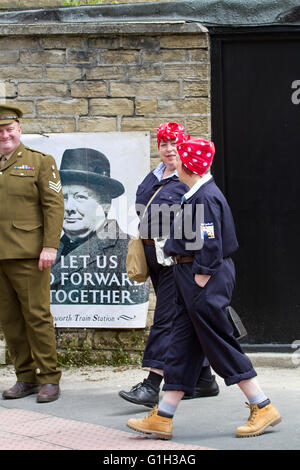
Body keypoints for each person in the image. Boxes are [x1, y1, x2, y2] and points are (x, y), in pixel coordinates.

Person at [126, 136, 281, 438]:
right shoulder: (197, 191)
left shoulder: (205, 197)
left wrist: (203, 275)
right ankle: (164, 415)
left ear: (189, 167)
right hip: (190, 276)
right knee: (182, 346)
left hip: (200, 277)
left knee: (219, 342)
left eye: (180, 160)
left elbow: (209, 239)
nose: (175, 164)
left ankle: (262, 405)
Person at [119, 122, 219, 408]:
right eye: (164, 143)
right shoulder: (153, 177)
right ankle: (204, 379)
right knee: (184, 316)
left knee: (166, 318)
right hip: (154, 256)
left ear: (184, 145)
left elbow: (200, 223)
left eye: (174, 143)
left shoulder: (190, 179)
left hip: (177, 258)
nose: (169, 149)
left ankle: (152, 384)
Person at [0, 104, 64, 403]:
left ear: (19, 130)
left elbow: (54, 206)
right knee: (10, 320)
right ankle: (25, 377)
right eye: (0, 131)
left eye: (9, 129)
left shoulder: (40, 162)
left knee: (37, 317)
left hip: (29, 254)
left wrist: (50, 246)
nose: (5, 135)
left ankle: (49, 378)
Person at [51, 148, 147, 307]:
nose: (69, 207)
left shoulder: (127, 248)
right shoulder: (48, 246)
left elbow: (134, 309)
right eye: (63, 197)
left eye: (80, 197)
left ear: (106, 204)